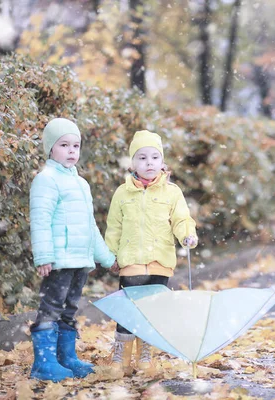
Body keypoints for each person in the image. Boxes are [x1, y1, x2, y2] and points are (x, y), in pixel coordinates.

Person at [29, 118, 117, 382]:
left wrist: (107, 259)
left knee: (69, 309)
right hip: (58, 261)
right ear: (50, 149)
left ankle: (65, 358)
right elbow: (41, 219)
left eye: (75, 145)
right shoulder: (46, 180)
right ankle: (44, 364)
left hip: (79, 260)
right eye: (64, 145)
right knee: (52, 307)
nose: (71, 151)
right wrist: (44, 256)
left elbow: (90, 226)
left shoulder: (81, 183)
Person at [104, 130, 197, 379]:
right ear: (133, 163)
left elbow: (181, 218)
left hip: (160, 263)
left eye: (155, 157)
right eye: (142, 157)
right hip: (131, 262)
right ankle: (121, 356)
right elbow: (114, 226)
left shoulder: (172, 192)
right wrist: (110, 255)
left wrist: (187, 234)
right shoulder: (122, 194)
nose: (149, 163)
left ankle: (145, 354)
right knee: (129, 310)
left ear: (162, 162)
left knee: (151, 311)